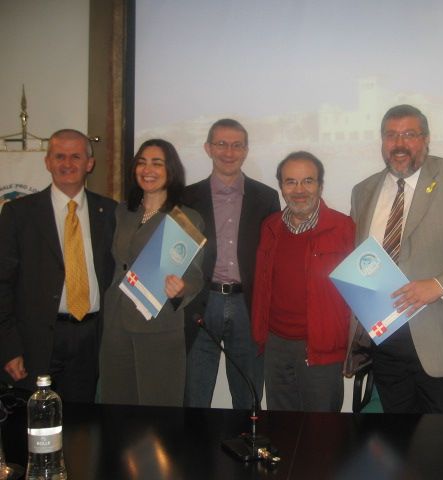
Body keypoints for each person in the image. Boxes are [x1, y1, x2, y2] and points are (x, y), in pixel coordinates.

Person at [344, 105, 443, 413]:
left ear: (426, 139)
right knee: (398, 439)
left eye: (409, 134)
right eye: (390, 135)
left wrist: (438, 285)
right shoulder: (363, 191)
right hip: (386, 347)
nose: (399, 144)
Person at [0, 129, 116, 401]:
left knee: (82, 421)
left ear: (90, 163)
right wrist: (9, 347)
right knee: (34, 421)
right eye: (59, 156)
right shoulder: (18, 213)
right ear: (47, 162)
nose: (67, 163)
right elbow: (2, 284)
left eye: (76, 156)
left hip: (91, 338)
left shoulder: (110, 212)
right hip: (36, 340)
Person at [183, 119, 280, 409]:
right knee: (194, 393)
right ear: (208, 148)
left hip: (247, 305)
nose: (229, 152)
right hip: (201, 303)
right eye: (222, 144)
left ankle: (247, 439)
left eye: (237, 145)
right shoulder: (186, 198)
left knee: (248, 396)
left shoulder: (266, 197)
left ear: (246, 150)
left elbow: (271, 258)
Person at [99, 139, 204, 407]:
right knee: (116, 406)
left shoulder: (186, 218)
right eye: (142, 163)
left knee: (158, 408)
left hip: (159, 322)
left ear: (171, 170)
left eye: (157, 163)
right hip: (115, 321)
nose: (148, 170)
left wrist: (182, 288)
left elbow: (195, 275)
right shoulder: (122, 211)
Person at [252, 151, 355, 412]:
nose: (299, 190)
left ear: (320, 185)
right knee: (281, 425)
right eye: (291, 182)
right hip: (275, 346)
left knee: (322, 428)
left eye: (308, 181)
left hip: (321, 347)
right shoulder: (269, 227)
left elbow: (358, 293)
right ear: (281, 186)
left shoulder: (344, 228)